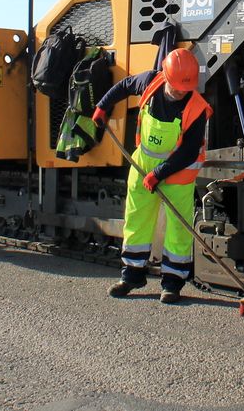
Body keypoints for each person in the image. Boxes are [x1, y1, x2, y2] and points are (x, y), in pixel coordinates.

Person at [90, 48, 212, 304]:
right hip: (143, 166)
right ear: (166, 77)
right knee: (137, 220)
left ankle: (172, 283)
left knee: (178, 229)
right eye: (177, 87)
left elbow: (189, 151)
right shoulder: (150, 81)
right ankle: (131, 275)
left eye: (186, 89)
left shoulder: (197, 109)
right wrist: (102, 106)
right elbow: (124, 85)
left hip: (178, 174)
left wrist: (159, 173)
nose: (181, 93)